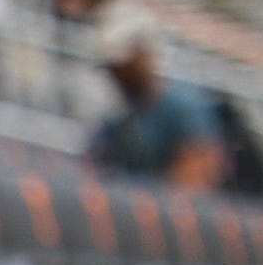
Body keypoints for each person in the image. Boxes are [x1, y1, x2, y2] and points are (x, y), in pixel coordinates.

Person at [86, 21, 230, 192]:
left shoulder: (183, 107)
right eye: (113, 69)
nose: (118, 76)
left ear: (143, 58)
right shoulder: (121, 118)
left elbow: (197, 177)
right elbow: (94, 163)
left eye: (124, 66)